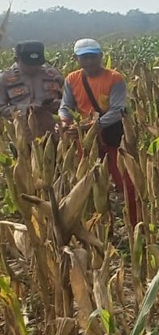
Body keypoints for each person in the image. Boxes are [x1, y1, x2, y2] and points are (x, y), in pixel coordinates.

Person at [59, 38, 139, 226]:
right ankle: (102, 226)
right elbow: (65, 106)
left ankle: (136, 224)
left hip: (112, 136)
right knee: (91, 184)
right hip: (86, 140)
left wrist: (92, 126)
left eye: (93, 57)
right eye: (84, 57)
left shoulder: (114, 78)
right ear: (76, 59)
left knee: (126, 182)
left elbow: (118, 110)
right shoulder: (71, 79)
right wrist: (64, 122)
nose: (89, 61)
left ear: (101, 56)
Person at [0, 41, 64, 139]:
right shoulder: (5, 79)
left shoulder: (53, 74)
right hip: (22, 135)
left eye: (38, 64)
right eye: (29, 65)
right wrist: (26, 109)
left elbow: (67, 100)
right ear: (16, 60)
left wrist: (58, 104)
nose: (34, 68)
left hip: (53, 131)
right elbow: (1, 108)